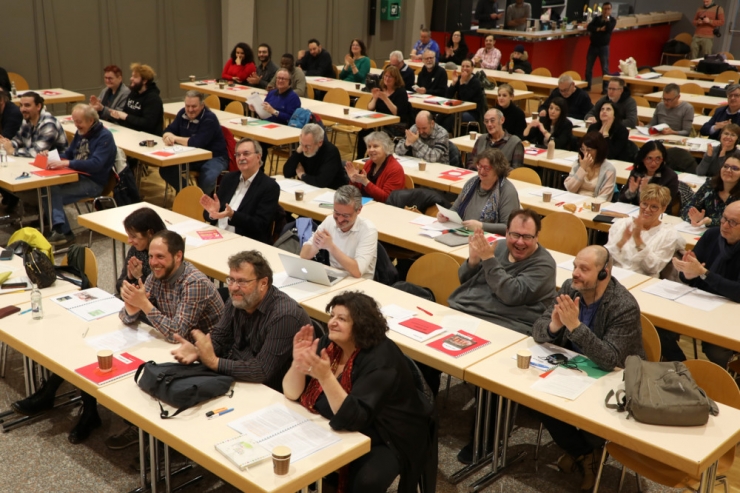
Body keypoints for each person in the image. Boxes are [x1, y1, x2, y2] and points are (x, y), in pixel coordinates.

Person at [12, 230, 225, 445]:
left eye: (160, 257)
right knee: (89, 351)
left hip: (200, 356)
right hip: (167, 343)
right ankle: (82, 409)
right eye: (151, 256)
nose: (153, 262)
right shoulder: (157, 274)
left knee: (130, 367)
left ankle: (141, 429)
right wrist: (132, 308)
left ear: (178, 256)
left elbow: (176, 332)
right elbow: (127, 316)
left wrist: (144, 305)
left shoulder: (193, 283)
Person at [283, 291, 433, 492]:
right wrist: (298, 362)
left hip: (389, 432)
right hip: (346, 419)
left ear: (361, 325)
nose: (332, 323)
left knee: (365, 482)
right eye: (332, 316)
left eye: (342, 319)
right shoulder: (331, 343)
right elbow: (292, 393)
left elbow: (353, 419)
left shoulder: (381, 362)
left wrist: (326, 377)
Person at [448, 209, 556, 462]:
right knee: (422, 350)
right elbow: (466, 279)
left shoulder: (544, 264)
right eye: (515, 234)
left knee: (492, 370)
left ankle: (486, 439)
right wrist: (474, 260)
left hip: (512, 328)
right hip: (473, 314)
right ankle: (423, 411)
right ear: (505, 232)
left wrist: (487, 259)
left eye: (527, 237)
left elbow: (512, 294)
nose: (520, 242)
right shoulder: (496, 248)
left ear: (537, 237)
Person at [533, 245, 644, 491]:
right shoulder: (568, 288)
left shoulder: (622, 305)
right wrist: (553, 327)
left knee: (590, 416)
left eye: (584, 269)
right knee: (534, 396)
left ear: (604, 273)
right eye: (574, 266)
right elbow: (538, 329)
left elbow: (610, 359)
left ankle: (586, 452)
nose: (575, 274)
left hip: (613, 380)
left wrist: (575, 328)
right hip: (574, 368)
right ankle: (585, 454)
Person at [172, 250, 311, 391]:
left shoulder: (285, 316)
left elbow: (262, 370)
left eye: (242, 281)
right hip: (240, 381)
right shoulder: (239, 301)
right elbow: (219, 339)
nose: (233, 288)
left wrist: (215, 363)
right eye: (231, 280)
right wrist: (198, 351)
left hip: (271, 392)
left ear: (263, 283)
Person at [670, 200, 740, 367]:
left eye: (733, 222)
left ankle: (726, 381)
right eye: (724, 219)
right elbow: (693, 274)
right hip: (701, 302)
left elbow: (737, 292)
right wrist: (687, 273)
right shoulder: (712, 235)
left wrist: (703, 274)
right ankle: (682, 368)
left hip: (731, 313)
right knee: (661, 327)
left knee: (715, 349)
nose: (725, 225)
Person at [44, 104, 117, 246]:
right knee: (46, 187)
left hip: (94, 182)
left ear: (91, 121)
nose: (76, 125)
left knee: (52, 193)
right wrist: (52, 156)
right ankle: (56, 225)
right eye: (74, 121)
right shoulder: (82, 132)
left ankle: (63, 232)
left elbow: (96, 164)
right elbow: (69, 154)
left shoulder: (105, 137)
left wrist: (68, 163)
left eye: (79, 122)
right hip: (76, 176)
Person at [200, 138, 280, 245]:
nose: (241, 158)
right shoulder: (229, 178)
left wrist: (233, 215)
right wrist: (213, 212)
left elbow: (260, 225)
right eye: (238, 155)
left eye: (246, 154)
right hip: (216, 236)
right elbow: (208, 213)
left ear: (258, 157)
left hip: (243, 242)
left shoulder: (269, 187)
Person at [0, 91, 68, 213]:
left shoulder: (48, 123)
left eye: (27, 105)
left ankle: (43, 212)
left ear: (38, 106)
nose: (22, 109)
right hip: (34, 165)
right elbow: (18, 139)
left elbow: (37, 151)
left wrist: (13, 151)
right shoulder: (27, 120)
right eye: (21, 105)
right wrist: (7, 144)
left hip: (55, 170)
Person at [607, 184, 686, 277]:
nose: (647, 210)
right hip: (614, 276)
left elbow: (653, 268)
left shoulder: (669, 234)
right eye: (644, 204)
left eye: (654, 207)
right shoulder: (621, 224)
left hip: (643, 280)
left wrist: (638, 241)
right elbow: (605, 258)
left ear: (663, 209)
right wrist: (621, 242)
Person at [159, 90, 228, 195]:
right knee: (166, 168)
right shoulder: (182, 113)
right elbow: (167, 131)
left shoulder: (210, 118)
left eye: (194, 106)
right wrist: (167, 136)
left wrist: (175, 138)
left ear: (202, 105)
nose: (190, 110)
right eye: (187, 106)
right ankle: (190, 194)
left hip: (214, 157)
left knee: (208, 179)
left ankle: (202, 203)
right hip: (190, 156)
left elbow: (196, 143)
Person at [300, 185, 378, 279]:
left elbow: (357, 272)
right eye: (336, 213)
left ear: (359, 210)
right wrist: (315, 245)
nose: (340, 220)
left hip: (359, 283)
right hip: (335, 277)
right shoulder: (329, 221)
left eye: (346, 216)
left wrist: (331, 247)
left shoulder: (368, 231)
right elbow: (304, 255)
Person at [439, 148, 520, 233]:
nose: (481, 171)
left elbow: (508, 227)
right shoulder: (472, 182)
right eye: (479, 166)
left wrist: (481, 226)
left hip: (489, 239)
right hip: (463, 232)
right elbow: (455, 209)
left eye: (486, 168)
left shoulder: (507, 191)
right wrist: (445, 215)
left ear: (498, 169)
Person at [356, 66, 410, 158]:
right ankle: (360, 158)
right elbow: (370, 108)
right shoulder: (380, 89)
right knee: (363, 132)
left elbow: (396, 112)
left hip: (395, 124)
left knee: (376, 134)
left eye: (390, 77)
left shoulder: (401, 92)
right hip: (379, 122)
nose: (387, 79)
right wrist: (375, 97)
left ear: (396, 79)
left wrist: (385, 99)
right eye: (385, 76)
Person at [115, 207, 167, 294]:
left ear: (150, 233)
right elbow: (119, 285)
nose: (129, 241)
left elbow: (161, 295)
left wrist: (140, 277)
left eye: (133, 236)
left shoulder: (164, 255)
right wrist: (129, 277)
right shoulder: (136, 250)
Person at [681, 152, 740, 228]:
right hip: (704, 233)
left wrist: (710, 221)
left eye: (735, 168)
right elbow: (686, 209)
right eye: (725, 166)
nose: (728, 170)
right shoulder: (709, 186)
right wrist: (694, 218)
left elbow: (735, 222)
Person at [283, 123, 348, 189]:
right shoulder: (302, 150)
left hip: (332, 192)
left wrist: (302, 175)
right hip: (310, 188)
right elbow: (287, 173)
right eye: (302, 144)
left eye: (308, 146)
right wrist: (298, 152)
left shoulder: (331, 152)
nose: (304, 149)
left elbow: (321, 182)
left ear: (320, 143)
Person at [347, 131, 405, 203]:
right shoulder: (369, 163)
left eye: (375, 146)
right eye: (369, 146)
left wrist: (366, 182)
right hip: (365, 205)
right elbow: (358, 192)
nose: (371, 150)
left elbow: (387, 199)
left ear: (386, 148)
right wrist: (354, 181)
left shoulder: (395, 169)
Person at [108, 63, 164, 136]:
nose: (131, 78)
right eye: (132, 76)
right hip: (130, 133)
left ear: (144, 81)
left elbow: (147, 123)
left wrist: (126, 117)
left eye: (135, 77)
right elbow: (126, 116)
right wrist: (117, 117)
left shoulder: (153, 99)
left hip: (147, 138)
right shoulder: (133, 93)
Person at [619, 140, 679, 207]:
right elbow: (621, 201)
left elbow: (665, 206)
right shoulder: (637, 172)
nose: (653, 163)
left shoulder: (669, 177)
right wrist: (631, 192)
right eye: (649, 158)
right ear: (642, 158)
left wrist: (644, 193)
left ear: (663, 159)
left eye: (658, 159)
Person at [565, 131, 616, 202]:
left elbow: (603, 198)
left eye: (589, 150)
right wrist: (582, 168)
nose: (585, 153)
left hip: (594, 206)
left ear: (599, 150)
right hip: (574, 202)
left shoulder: (609, 169)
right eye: (583, 149)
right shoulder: (578, 164)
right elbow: (570, 189)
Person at [439, 59, 484, 134]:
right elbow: (447, 96)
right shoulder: (459, 78)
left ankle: (444, 135)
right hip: (459, 109)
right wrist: (453, 83)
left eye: (467, 66)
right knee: (441, 114)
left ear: (472, 68)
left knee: (452, 117)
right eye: (463, 66)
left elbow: (466, 98)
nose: (465, 68)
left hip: (472, 112)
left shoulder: (476, 82)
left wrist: (462, 83)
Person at [585, 2, 616, 92]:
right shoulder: (597, 19)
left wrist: (606, 20)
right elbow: (590, 27)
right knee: (588, 67)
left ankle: (605, 88)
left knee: (605, 69)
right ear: (602, 10)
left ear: (611, 10)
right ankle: (587, 85)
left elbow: (609, 28)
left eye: (608, 9)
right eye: (604, 9)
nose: (606, 11)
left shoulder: (612, 20)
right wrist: (599, 29)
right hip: (593, 46)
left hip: (604, 47)